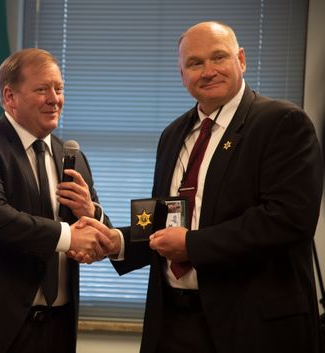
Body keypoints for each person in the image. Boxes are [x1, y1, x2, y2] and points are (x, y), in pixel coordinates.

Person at [79, 21, 324, 353]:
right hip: (173, 324)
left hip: (250, 326)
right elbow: (166, 220)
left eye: (218, 58)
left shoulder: (282, 123)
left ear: (241, 60)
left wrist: (192, 246)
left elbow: (288, 221)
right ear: (182, 75)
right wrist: (117, 241)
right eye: (195, 63)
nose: (208, 71)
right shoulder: (173, 135)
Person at [0, 48, 114, 353]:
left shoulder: (72, 156)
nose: (55, 99)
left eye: (59, 88)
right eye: (42, 89)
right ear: (10, 97)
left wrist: (92, 213)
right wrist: (68, 236)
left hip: (55, 329)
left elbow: (94, 238)